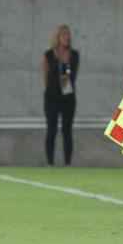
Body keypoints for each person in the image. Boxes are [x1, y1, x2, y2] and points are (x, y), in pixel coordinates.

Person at [43, 24, 79, 166]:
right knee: (51, 129)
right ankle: (50, 162)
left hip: (68, 97)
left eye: (68, 35)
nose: (67, 38)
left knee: (67, 130)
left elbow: (73, 74)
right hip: (52, 97)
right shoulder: (49, 55)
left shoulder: (74, 55)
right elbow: (45, 76)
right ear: (58, 38)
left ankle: (67, 162)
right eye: (64, 35)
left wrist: (64, 62)